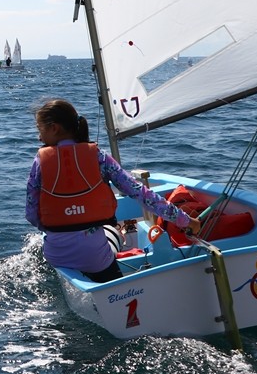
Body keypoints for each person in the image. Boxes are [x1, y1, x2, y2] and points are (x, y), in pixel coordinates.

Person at [24, 99, 201, 283]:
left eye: (39, 129)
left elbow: (31, 214)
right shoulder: (99, 157)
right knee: (113, 232)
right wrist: (185, 220)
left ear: (54, 128)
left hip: (57, 256)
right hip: (95, 259)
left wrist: (61, 223)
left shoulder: (40, 162)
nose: (39, 137)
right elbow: (142, 194)